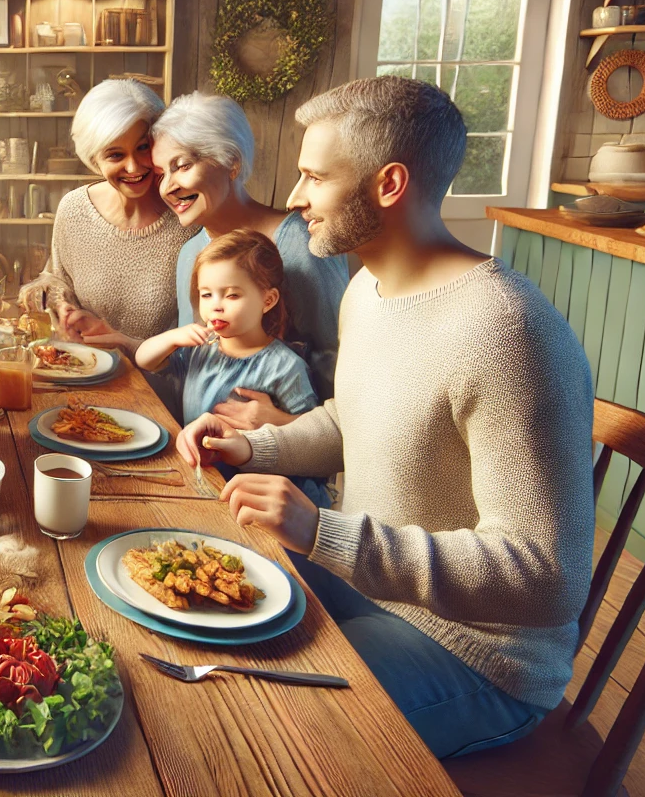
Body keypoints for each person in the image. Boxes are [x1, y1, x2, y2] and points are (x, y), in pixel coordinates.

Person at [177, 76, 593, 758]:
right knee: (190, 604)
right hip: (363, 593)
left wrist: (326, 533)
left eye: (316, 177)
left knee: (247, 731)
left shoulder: (509, 332)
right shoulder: (369, 288)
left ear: (388, 185)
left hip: (473, 654)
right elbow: (356, 420)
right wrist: (258, 446)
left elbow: (545, 575)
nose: (294, 197)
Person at [153, 92, 351, 426]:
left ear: (232, 162)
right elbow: (188, 360)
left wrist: (282, 423)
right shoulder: (190, 254)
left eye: (183, 165)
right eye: (160, 173)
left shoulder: (304, 244)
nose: (167, 187)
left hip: (284, 463)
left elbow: (339, 371)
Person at [30, 78, 197, 382]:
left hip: (159, 395)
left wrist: (123, 341)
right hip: (80, 380)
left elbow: (204, 341)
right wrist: (63, 306)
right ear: (94, 158)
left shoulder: (187, 220)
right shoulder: (74, 209)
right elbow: (56, 280)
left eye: (143, 147)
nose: (134, 168)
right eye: (116, 155)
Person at [136, 228, 317, 428]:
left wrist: (278, 421)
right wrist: (171, 338)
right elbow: (145, 361)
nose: (216, 306)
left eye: (232, 295)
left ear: (268, 300)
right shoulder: (200, 348)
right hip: (190, 456)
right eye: (206, 295)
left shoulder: (285, 367)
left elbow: (310, 432)